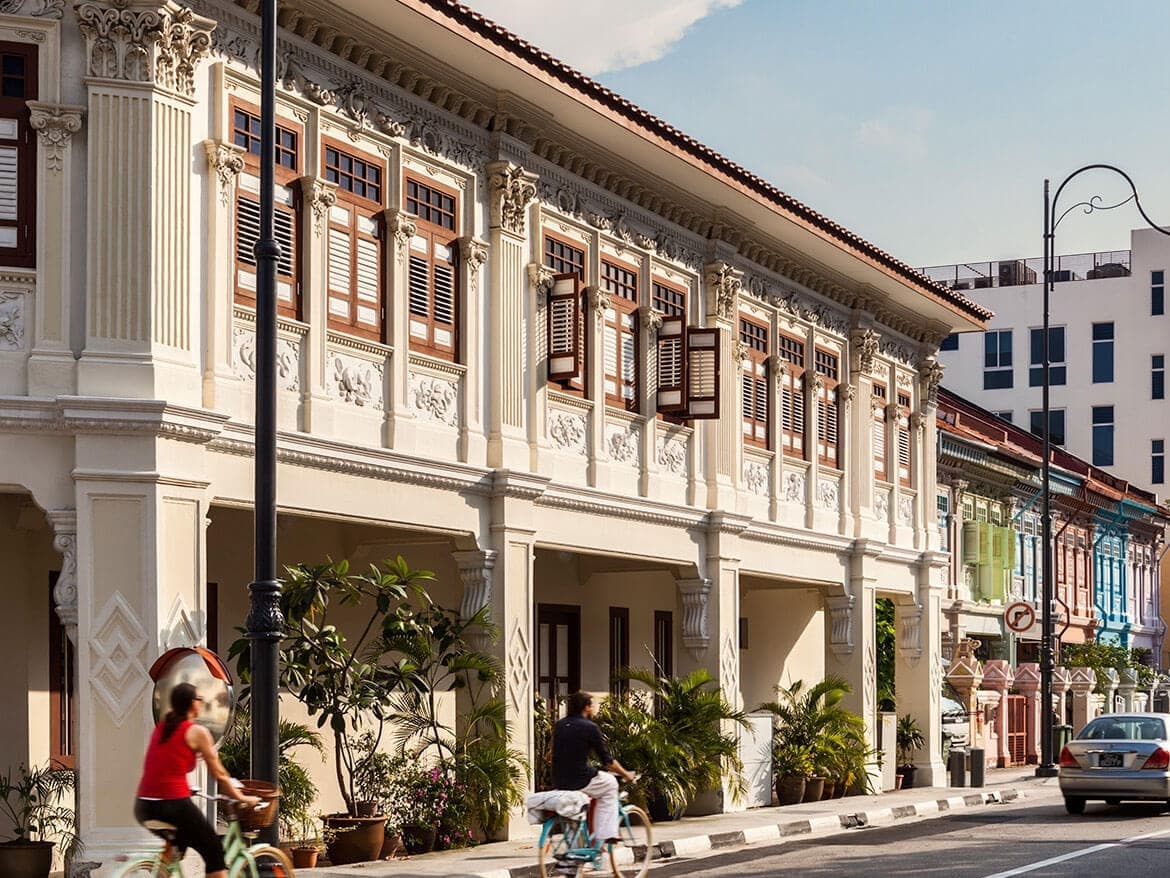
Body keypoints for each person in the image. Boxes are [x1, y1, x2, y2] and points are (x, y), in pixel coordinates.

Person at [134, 683, 261, 878]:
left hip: (144, 806)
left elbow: (164, 766)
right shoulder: (197, 732)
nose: (201, 703)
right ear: (193, 704)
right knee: (214, 852)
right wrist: (243, 798)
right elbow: (219, 775)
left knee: (178, 847)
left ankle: (163, 870)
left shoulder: (162, 728)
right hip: (172, 805)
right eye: (199, 699)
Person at [551, 691, 634, 849]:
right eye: (592, 705)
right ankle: (607, 834)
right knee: (610, 784)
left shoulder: (560, 725)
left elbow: (551, 754)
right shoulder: (590, 727)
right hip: (579, 780)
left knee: (591, 792)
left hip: (558, 780)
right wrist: (626, 774)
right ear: (587, 708)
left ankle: (582, 844)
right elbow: (607, 761)